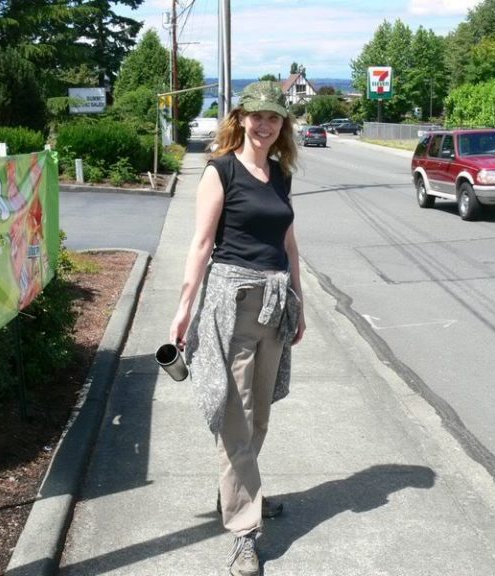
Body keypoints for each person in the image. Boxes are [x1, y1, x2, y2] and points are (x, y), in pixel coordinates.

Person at [169, 81, 305, 576]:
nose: (264, 125)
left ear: (282, 125)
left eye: (274, 117)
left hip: (275, 305)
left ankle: (240, 489)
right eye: (257, 116)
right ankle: (245, 531)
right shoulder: (220, 170)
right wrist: (184, 309)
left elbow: (289, 243)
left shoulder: (280, 173)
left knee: (259, 413)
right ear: (241, 118)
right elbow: (201, 244)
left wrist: (300, 303)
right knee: (236, 416)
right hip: (232, 304)